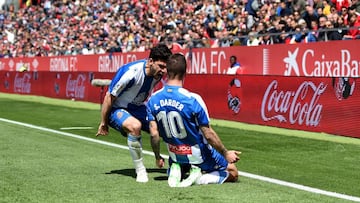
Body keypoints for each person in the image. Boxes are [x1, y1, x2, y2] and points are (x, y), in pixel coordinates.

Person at [147, 53, 241, 187]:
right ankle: (200, 178)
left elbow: (154, 134)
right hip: (198, 155)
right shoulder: (193, 99)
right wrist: (226, 153)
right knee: (232, 171)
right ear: (185, 72)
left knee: (178, 156)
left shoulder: (153, 99)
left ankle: (176, 167)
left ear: (167, 71)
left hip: (174, 155)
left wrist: (157, 157)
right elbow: (208, 134)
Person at [96, 43, 172, 183]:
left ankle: (174, 164)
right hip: (117, 109)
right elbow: (109, 97)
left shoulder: (158, 74)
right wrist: (104, 122)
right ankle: (140, 170)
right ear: (150, 61)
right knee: (134, 126)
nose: (164, 71)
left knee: (167, 127)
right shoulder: (131, 72)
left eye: (166, 67)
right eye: (161, 66)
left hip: (138, 108)